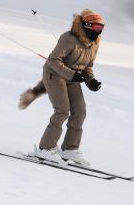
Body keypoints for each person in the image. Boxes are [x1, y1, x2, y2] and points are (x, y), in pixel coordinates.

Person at [18, 9, 104, 166]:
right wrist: (72, 74)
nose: (99, 32)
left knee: (80, 112)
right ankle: (46, 148)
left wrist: (90, 80)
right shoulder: (68, 38)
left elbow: (88, 67)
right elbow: (53, 61)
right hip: (54, 75)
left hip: (72, 78)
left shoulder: (94, 45)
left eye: (101, 28)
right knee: (62, 110)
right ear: (87, 25)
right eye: (96, 28)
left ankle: (69, 149)